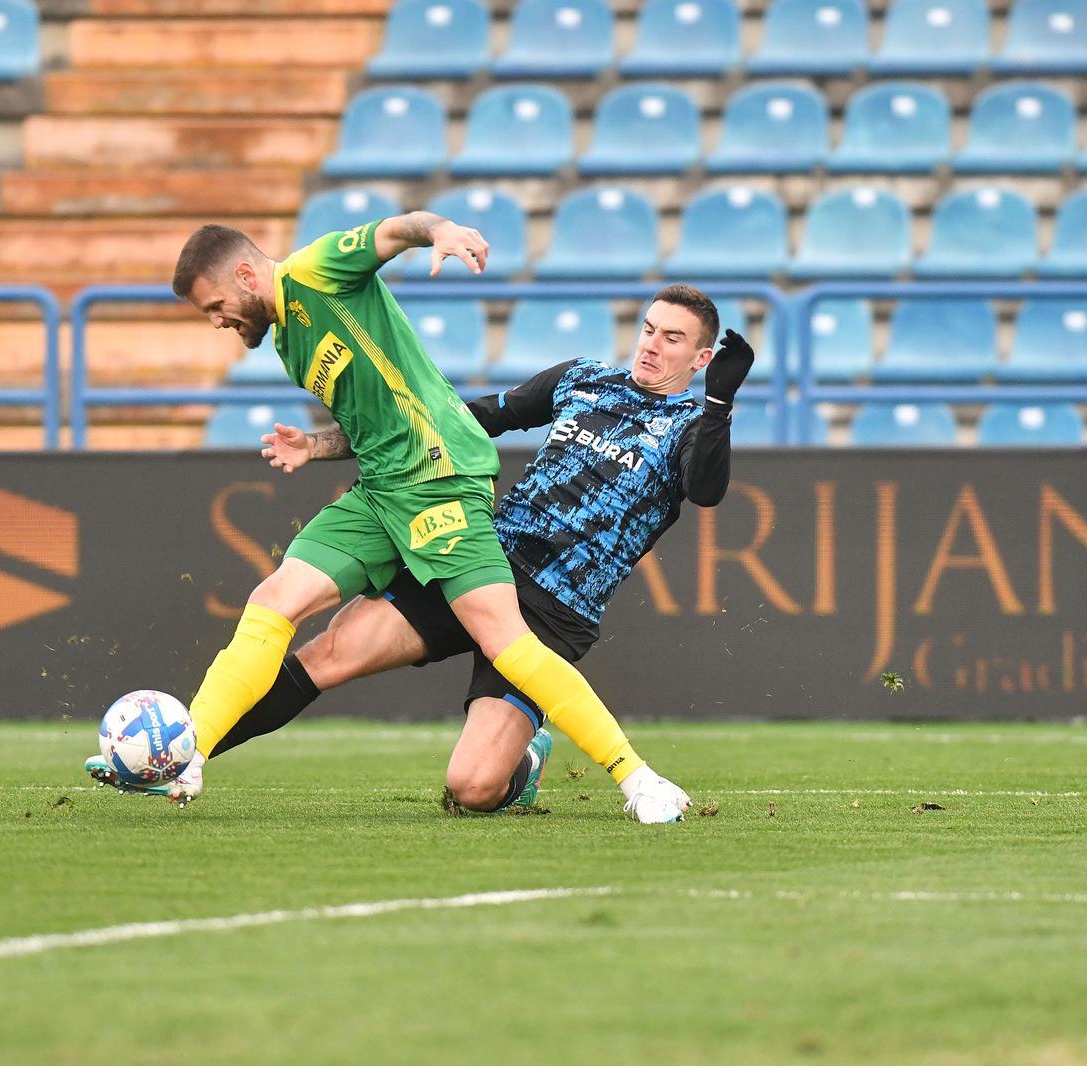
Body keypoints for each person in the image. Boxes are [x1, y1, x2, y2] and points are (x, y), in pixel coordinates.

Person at [85, 214, 690, 822]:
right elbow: (368, 420)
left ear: (245, 274)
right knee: (273, 600)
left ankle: (638, 780)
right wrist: (315, 447)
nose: (217, 319)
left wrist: (441, 232)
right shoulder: (291, 342)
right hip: (380, 488)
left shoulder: (315, 271)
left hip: (437, 479)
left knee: (505, 643)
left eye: (216, 304)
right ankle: (188, 753)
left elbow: (395, 231)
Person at [203, 286, 754, 817]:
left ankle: (525, 758)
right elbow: (457, 421)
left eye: (673, 339)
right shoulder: (585, 378)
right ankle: (181, 756)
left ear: (702, 357)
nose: (652, 345)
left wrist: (719, 405)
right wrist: (324, 445)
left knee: (471, 788)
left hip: (554, 609)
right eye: (649, 329)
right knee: (326, 656)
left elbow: (706, 490)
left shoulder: (690, 426)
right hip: (477, 560)